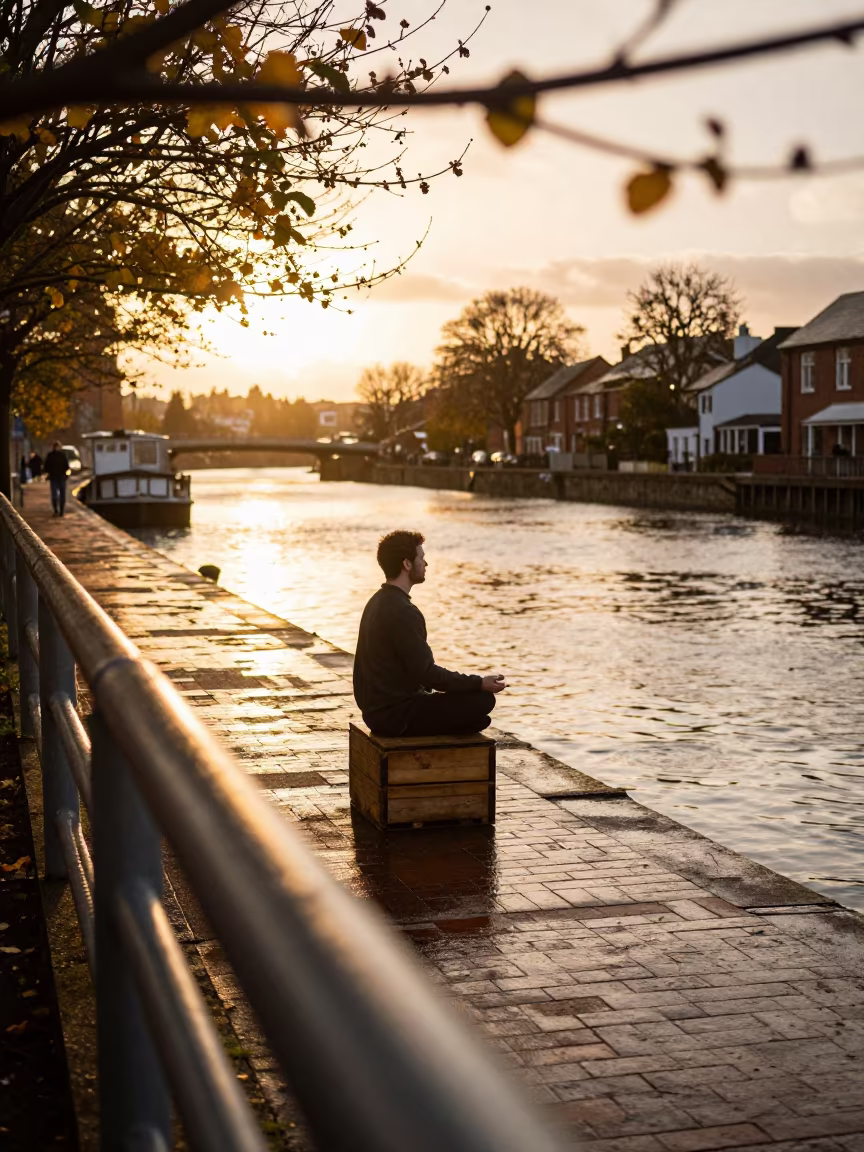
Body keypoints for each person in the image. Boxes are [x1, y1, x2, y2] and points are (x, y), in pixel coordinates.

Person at [353, 530, 507, 737]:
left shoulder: (376, 601)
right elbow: (428, 674)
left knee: (476, 714)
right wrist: (479, 682)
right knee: (482, 700)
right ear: (407, 564)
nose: (425, 564)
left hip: (375, 713)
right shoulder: (404, 611)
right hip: (397, 716)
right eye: (422, 558)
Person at [43, 441, 70, 516]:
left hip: (54, 477)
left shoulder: (50, 455)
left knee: (54, 495)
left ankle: (56, 510)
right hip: (61, 477)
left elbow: (46, 467)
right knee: (62, 495)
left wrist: (50, 472)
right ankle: (61, 511)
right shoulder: (63, 455)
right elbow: (67, 466)